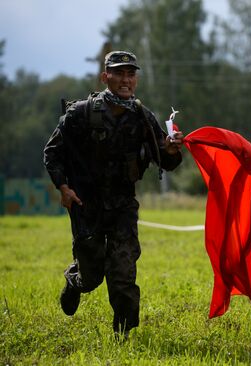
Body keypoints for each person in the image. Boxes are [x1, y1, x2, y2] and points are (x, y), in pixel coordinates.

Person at [43, 50, 184, 338]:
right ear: (105, 76)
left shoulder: (144, 118)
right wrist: (63, 187)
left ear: (136, 79)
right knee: (91, 275)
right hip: (86, 205)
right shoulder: (81, 113)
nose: (125, 79)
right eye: (118, 73)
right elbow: (52, 153)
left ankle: (123, 336)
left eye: (131, 74)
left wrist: (171, 150)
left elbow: (166, 162)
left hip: (122, 206)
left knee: (123, 272)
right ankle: (75, 281)